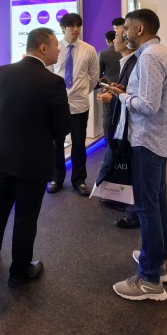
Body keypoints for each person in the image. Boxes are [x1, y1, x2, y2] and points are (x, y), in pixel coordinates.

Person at [0, 27, 71, 288]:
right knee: (25, 215)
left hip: (4, 154)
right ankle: (19, 271)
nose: (59, 49)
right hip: (33, 160)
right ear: (43, 48)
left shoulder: (3, 71)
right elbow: (62, 127)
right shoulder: (52, 82)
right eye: (55, 45)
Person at [105, 9, 167, 301]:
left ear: (139, 29)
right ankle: (156, 261)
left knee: (148, 207)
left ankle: (149, 280)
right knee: (157, 204)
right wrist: (127, 91)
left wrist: (122, 96)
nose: (122, 33)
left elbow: (148, 106)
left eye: (126, 27)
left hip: (147, 141)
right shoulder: (164, 53)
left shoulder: (149, 57)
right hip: (158, 140)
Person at [47, 13, 100, 197]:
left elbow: (94, 76)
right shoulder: (54, 48)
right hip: (57, 105)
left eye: (78, 25)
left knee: (78, 144)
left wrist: (83, 92)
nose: (76, 29)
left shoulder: (89, 49)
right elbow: (48, 73)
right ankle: (56, 177)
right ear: (63, 28)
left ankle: (79, 180)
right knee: (56, 144)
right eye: (71, 26)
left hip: (79, 105)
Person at [95, 21, 139, 228]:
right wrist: (116, 91)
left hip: (134, 129)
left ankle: (133, 210)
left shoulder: (137, 62)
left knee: (131, 164)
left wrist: (113, 98)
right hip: (124, 122)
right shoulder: (127, 61)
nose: (114, 40)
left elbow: (140, 102)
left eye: (118, 34)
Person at [98, 28, 121, 137]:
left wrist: (103, 84)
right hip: (123, 87)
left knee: (108, 115)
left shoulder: (103, 53)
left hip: (108, 87)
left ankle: (108, 140)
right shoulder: (124, 51)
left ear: (107, 40)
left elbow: (98, 74)